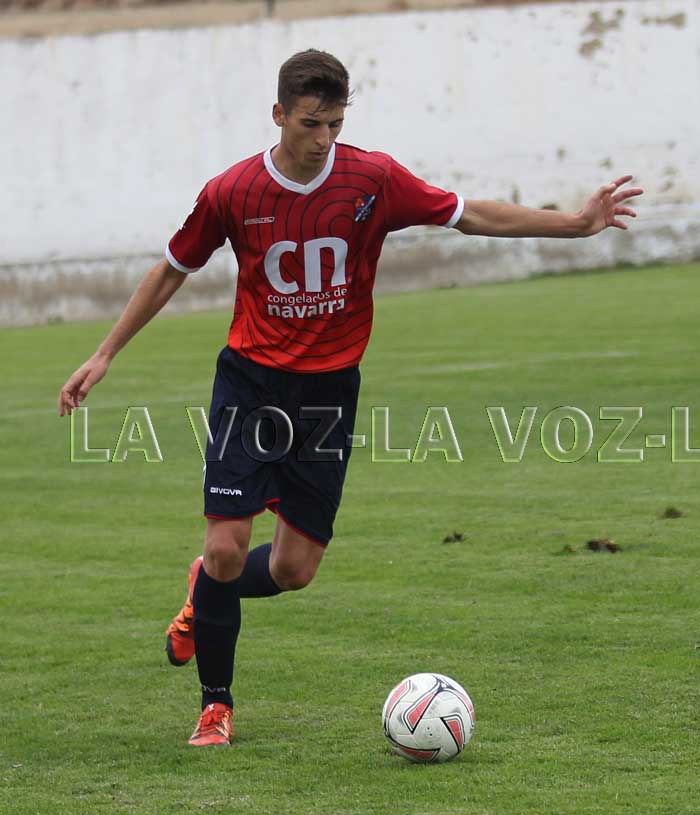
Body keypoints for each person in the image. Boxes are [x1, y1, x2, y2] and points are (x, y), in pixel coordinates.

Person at [57, 49, 643, 747]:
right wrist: (104, 353)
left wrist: (575, 224)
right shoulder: (233, 191)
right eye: (310, 123)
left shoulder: (373, 178)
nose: (323, 138)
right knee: (226, 545)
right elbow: (172, 268)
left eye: (335, 123)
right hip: (250, 385)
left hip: (329, 394)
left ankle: (205, 586)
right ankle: (216, 706)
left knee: (292, 570)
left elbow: (468, 214)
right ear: (278, 114)